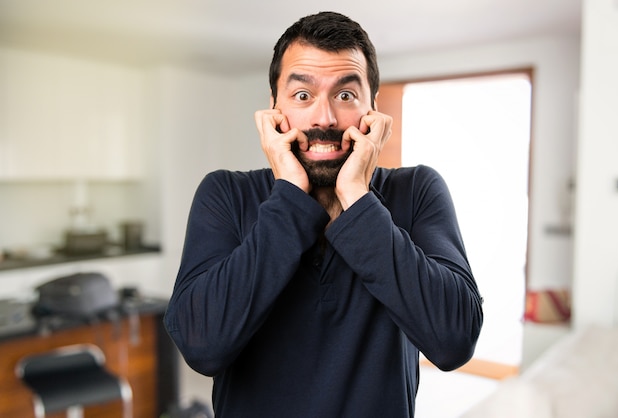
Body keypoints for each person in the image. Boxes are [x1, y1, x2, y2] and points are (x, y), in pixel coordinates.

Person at [164, 11, 483, 418]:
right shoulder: (225, 193)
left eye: (345, 95)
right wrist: (289, 199)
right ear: (274, 109)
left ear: (373, 110)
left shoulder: (417, 191)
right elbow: (202, 345)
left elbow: (454, 342)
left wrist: (357, 197)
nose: (325, 118)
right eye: (302, 96)